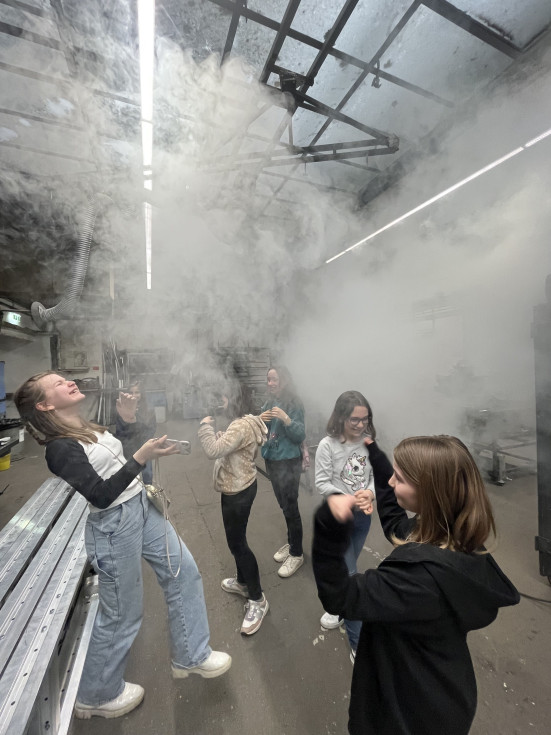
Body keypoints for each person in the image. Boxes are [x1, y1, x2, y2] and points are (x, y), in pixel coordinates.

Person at [14, 372, 231, 721]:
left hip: (141, 508)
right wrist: (141, 459)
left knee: (184, 574)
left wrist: (128, 422)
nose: (69, 382)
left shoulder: (86, 427)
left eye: (66, 378)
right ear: (45, 404)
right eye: (58, 384)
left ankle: (191, 656)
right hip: (113, 525)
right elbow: (100, 494)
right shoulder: (60, 449)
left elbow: (121, 457)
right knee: (122, 613)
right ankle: (95, 695)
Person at [312, 434, 520, 735]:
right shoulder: (453, 536)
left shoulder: (421, 580)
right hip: (441, 686)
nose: (391, 483)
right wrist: (380, 462)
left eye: (401, 478)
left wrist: (328, 528)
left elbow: (342, 598)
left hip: (407, 711)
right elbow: (398, 524)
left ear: (431, 493)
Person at [198, 386, 269, 635]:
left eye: (225, 395)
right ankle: (242, 582)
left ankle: (258, 599)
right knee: (236, 541)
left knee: (238, 544)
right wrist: (223, 436)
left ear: (236, 399)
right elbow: (235, 446)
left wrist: (205, 426)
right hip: (242, 485)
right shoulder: (247, 421)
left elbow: (212, 451)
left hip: (237, 491)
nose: (222, 399)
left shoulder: (239, 426)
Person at [314, 391, 376, 660]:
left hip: (363, 518)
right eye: (354, 420)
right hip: (338, 522)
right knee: (351, 577)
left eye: (365, 419)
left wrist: (371, 493)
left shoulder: (368, 444)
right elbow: (322, 483)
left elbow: (374, 476)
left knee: (347, 569)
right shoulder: (327, 446)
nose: (361, 425)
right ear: (340, 417)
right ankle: (358, 645)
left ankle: (337, 610)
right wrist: (348, 499)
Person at [260, 366, 306, 578]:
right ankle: (291, 543)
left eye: (274, 379)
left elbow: (299, 434)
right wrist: (261, 418)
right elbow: (262, 425)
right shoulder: (270, 401)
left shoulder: (294, 403)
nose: (270, 383)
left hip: (289, 461)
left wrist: (287, 419)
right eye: (268, 379)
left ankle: (297, 553)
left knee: (290, 506)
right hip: (272, 459)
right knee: (283, 505)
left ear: (284, 381)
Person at [116, 379, 156, 484]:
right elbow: (120, 431)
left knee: (147, 474)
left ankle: (148, 494)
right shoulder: (122, 409)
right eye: (131, 392)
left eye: (137, 392)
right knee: (131, 477)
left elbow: (151, 429)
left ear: (142, 393)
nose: (134, 395)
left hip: (144, 445)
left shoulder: (149, 409)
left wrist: (144, 443)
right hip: (128, 447)